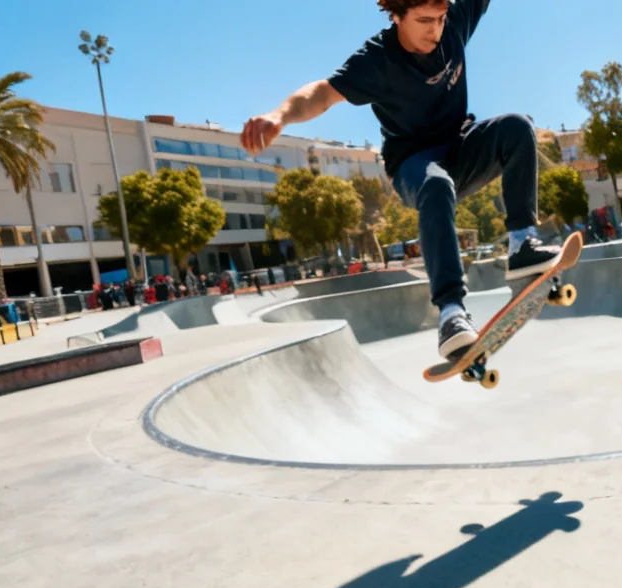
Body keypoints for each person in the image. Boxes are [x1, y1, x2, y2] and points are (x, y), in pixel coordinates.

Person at [241, 0, 562, 370]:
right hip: (414, 165)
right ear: (398, 17)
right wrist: (279, 116)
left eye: (440, 19)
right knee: (437, 186)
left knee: (518, 128)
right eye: (424, 21)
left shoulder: (454, 22)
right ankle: (451, 313)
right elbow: (324, 94)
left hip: (461, 148)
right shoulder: (377, 59)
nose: (435, 31)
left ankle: (522, 243)